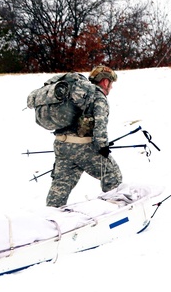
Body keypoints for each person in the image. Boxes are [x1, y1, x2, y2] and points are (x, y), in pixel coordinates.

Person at [46, 65, 122, 208]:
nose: (111, 88)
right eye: (111, 84)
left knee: (60, 185)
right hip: (83, 147)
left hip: (61, 145)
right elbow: (100, 125)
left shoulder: (75, 95)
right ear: (105, 82)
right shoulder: (98, 96)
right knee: (112, 175)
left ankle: (50, 217)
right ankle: (116, 211)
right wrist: (103, 147)